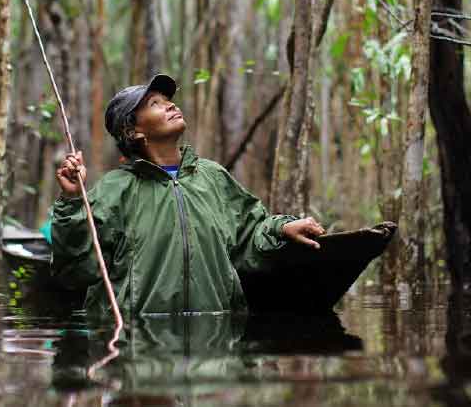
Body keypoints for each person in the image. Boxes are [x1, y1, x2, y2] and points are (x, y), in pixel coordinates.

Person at [49, 74, 325, 317]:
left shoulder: (212, 177)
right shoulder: (114, 190)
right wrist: (72, 201)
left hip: (215, 338)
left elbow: (249, 236)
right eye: (155, 103)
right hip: (137, 344)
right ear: (133, 131)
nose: (171, 105)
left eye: (168, 100)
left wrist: (282, 227)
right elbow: (76, 270)